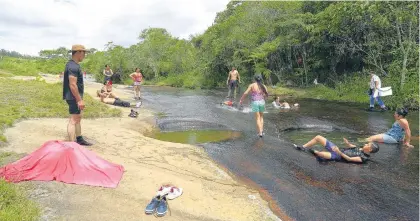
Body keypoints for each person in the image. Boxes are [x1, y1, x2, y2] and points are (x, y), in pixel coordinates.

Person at [62, 44, 92, 146]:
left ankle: (79, 139)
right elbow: (72, 85)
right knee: (73, 120)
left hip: (74, 96)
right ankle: (71, 145)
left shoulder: (73, 65)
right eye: (84, 53)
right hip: (73, 96)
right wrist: (79, 100)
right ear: (78, 52)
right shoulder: (72, 66)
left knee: (78, 117)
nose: (85, 55)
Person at [294, 135, 379, 163]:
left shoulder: (363, 158)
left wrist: (339, 152)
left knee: (320, 154)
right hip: (337, 150)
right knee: (318, 137)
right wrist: (347, 143)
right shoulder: (361, 148)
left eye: (368, 144)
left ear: (370, 150)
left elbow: (349, 159)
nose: (365, 144)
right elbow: (352, 146)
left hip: (338, 156)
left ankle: (313, 152)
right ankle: (303, 147)